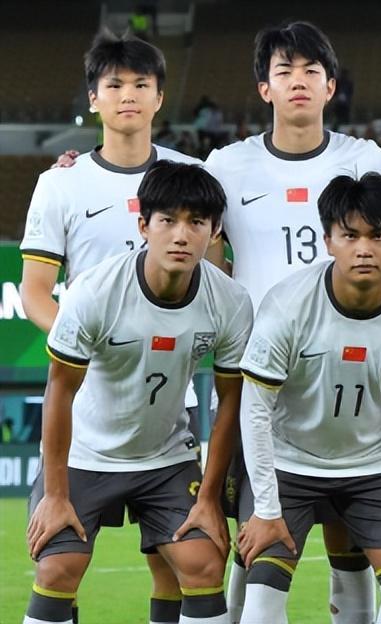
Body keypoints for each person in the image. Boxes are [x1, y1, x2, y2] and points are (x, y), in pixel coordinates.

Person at [203, 21, 381, 622]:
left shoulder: (367, 160)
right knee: (252, 528)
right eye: (284, 71)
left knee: (350, 537)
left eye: (311, 71)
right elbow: (203, 252)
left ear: (331, 86)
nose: (298, 81)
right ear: (263, 88)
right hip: (256, 377)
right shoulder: (227, 165)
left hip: (347, 371)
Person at [19, 32, 204, 624]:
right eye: (115, 85)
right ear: (93, 98)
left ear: (160, 98)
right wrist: (87, 347)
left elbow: (216, 279)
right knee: (60, 566)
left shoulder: (193, 177)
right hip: (86, 407)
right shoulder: (63, 183)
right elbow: (34, 292)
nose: (129, 95)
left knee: (182, 564)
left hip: (166, 410)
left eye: (142, 84)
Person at [25, 161, 253, 624]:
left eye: (197, 222)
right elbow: (59, 391)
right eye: (168, 220)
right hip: (85, 456)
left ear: (215, 232)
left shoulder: (230, 302)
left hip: (165, 458)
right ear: (143, 226)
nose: (181, 235)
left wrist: (208, 498)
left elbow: (231, 400)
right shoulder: (94, 292)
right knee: (58, 567)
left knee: (203, 562)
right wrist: (55, 495)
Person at [234, 173, 381, 624]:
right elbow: (255, 409)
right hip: (288, 464)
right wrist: (267, 508)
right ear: (328, 241)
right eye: (350, 236)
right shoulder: (288, 304)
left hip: (376, 467)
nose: (364, 249)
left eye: (378, 235)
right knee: (264, 589)